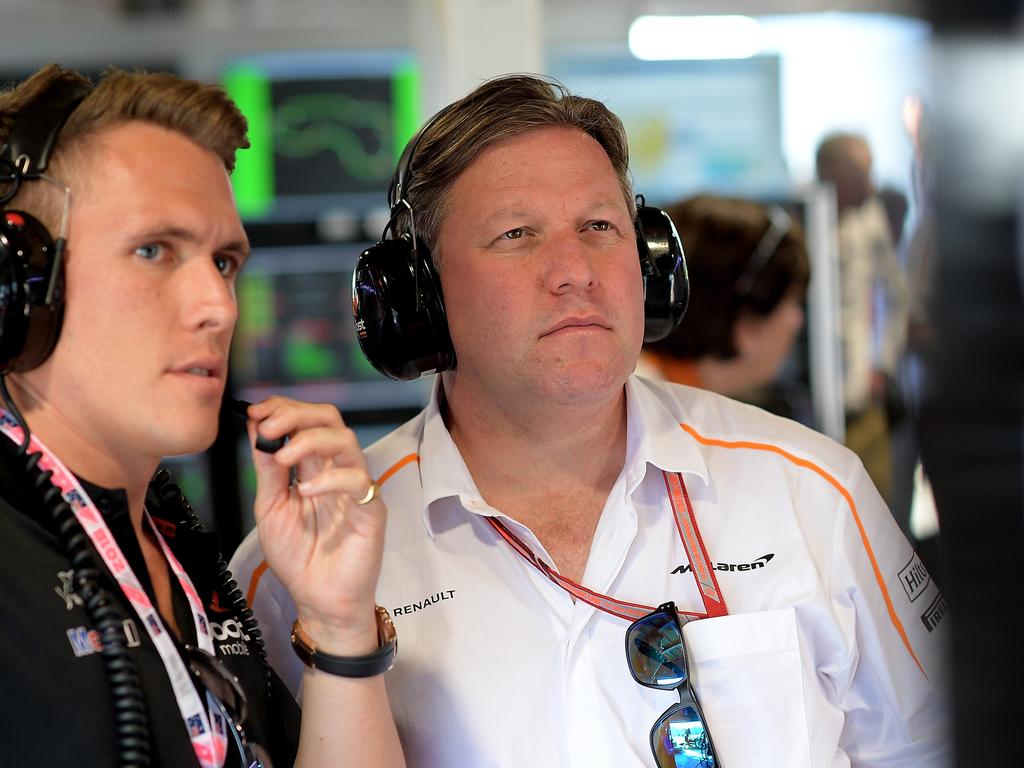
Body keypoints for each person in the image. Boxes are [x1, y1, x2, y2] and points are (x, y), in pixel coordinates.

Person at [232, 75, 950, 767]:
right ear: (420, 295)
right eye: (517, 233)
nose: (574, 269)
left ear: (649, 264)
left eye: (599, 226)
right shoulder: (301, 567)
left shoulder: (813, 492)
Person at [0, 64, 403, 767]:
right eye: (153, 250)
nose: (218, 307)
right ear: (23, 285)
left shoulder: (181, 553)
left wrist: (339, 627)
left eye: (223, 262)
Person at [638, 194, 810, 421]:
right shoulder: (651, 417)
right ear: (748, 326)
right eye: (793, 301)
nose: (798, 321)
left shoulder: (653, 399)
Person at [815, 132, 910, 507]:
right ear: (829, 170)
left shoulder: (869, 220)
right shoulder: (801, 214)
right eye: (859, 172)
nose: (869, 184)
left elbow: (896, 296)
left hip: (861, 393)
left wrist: (882, 364)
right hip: (813, 397)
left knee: (877, 507)